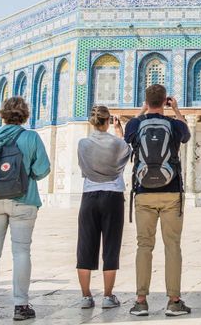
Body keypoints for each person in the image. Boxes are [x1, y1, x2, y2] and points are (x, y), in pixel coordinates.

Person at [0, 96, 51, 322]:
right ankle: (20, 306)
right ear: (25, 114)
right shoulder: (31, 137)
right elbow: (43, 168)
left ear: (3, 114)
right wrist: (27, 175)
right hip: (23, 200)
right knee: (21, 252)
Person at [124, 85, 192, 317]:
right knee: (172, 246)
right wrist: (177, 110)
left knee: (144, 246)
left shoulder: (136, 124)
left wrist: (143, 110)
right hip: (171, 192)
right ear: (165, 101)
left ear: (146, 101)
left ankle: (141, 301)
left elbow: (127, 134)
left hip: (143, 193)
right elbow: (187, 135)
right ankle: (174, 301)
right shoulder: (174, 125)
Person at [76, 105, 131, 310]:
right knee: (111, 245)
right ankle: (108, 296)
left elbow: (83, 168)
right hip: (113, 196)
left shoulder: (83, 144)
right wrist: (120, 134)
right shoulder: (117, 143)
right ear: (108, 121)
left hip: (89, 196)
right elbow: (125, 156)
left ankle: (86, 296)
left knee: (85, 245)